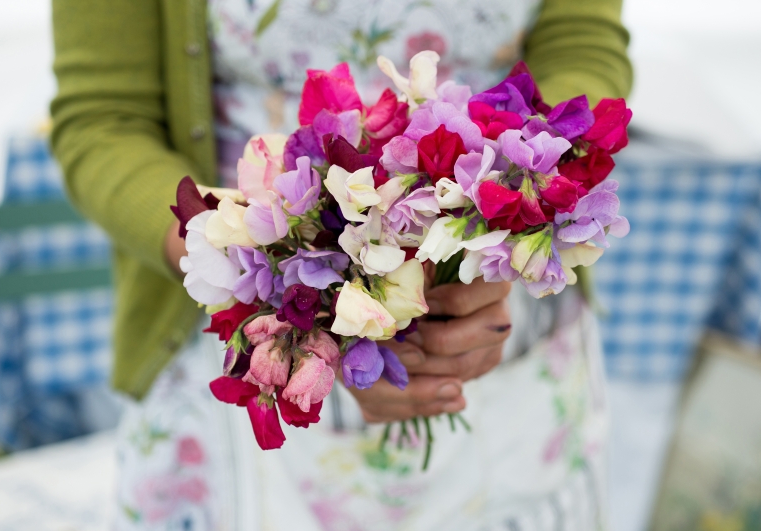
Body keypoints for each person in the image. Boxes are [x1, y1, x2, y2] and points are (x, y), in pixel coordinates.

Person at [51, 0, 631, 529]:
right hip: (264, 296)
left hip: (496, 287)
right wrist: (267, 268)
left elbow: (580, 47)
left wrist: (502, 210)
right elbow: (104, 122)